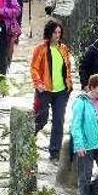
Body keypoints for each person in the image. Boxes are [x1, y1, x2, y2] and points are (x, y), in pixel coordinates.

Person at [30, 19, 73, 160]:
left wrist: (69, 85)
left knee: (59, 120)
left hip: (61, 91)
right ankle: (28, 136)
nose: (57, 35)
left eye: (59, 32)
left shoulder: (64, 49)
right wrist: (38, 83)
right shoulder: (40, 49)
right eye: (55, 32)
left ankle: (55, 152)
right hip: (45, 90)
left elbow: (67, 68)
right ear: (49, 33)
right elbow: (34, 68)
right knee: (41, 119)